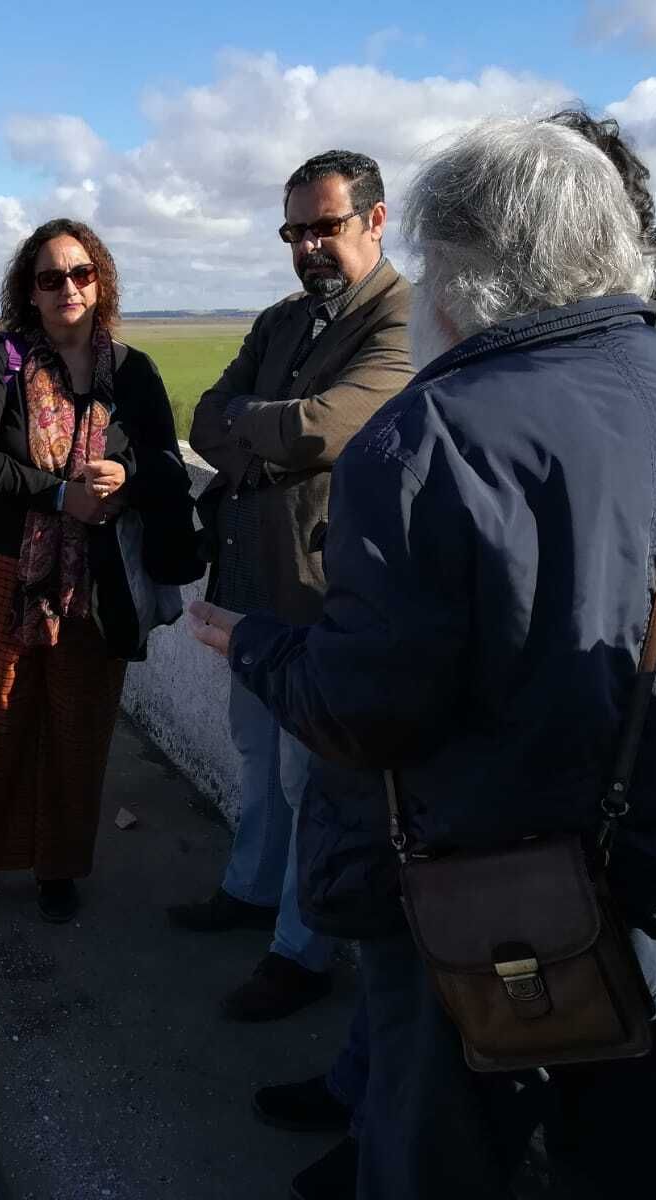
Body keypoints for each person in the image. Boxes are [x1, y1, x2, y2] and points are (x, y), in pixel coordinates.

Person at [189, 117, 656, 1199]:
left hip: (476, 900)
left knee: (432, 1159)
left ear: (460, 260)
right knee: (627, 1172)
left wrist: (259, 646)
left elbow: (364, 709)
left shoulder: (426, 434)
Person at [176, 150, 414, 1023]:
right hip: (249, 573)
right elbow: (206, 414)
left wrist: (252, 427)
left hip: (322, 590)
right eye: (294, 231)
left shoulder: (405, 317)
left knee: (309, 776)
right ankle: (250, 888)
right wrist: (260, 431)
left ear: (376, 220)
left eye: (325, 226)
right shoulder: (282, 320)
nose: (309, 246)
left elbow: (327, 429)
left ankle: (299, 951)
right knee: (254, 750)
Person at [0, 216, 194, 932]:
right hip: (3, 571)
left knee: (79, 729)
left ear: (100, 281)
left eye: (81, 273)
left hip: (97, 581)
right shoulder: (3, 359)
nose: (68, 288)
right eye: (50, 278)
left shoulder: (133, 371)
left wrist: (126, 477)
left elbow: (164, 463)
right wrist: (57, 494)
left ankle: (58, 869)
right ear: (31, 291)